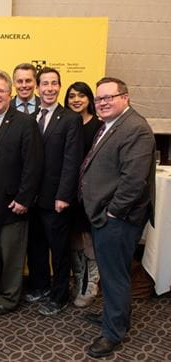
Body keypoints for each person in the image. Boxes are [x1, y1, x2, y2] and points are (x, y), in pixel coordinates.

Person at [81, 77, 155, 358]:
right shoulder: (113, 125)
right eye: (99, 99)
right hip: (106, 215)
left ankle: (113, 333)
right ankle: (115, 315)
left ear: (126, 97)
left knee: (115, 275)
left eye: (109, 97)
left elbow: (133, 182)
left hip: (118, 219)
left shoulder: (136, 129)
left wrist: (113, 212)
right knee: (113, 273)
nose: (103, 103)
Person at [0, 70, 43, 314]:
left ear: (10, 93)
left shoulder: (24, 123)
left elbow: (33, 165)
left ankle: (9, 298)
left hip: (12, 203)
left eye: (1, 90)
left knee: (11, 255)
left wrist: (24, 198)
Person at [25, 67, 83, 316]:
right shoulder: (30, 117)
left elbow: (72, 161)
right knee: (35, 247)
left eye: (54, 84)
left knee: (58, 251)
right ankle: (40, 286)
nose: (49, 88)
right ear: (38, 88)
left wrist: (63, 196)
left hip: (56, 198)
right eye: (44, 84)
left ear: (59, 87)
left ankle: (59, 296)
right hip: (33, 198)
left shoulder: (70, 118)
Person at [64, 81, 103, 307]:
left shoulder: (98, 125)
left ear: (89, 99)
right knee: (74, 239)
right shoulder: (67, 123)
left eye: (81, 96)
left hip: (91, 192)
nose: (76, 100)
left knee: (88, 239)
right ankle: (79, 281)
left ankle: (91, 285)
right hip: (69, 191)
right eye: (71, 96)